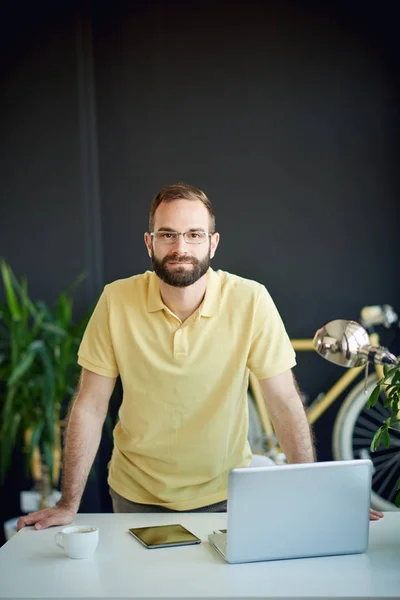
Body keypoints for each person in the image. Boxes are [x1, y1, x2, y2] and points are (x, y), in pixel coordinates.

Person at [17, 182, 383, 530]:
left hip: (228, 495)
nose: (181, 246)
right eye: (168, 234)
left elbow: (284, 401)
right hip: (135, 497)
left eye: (194, 234)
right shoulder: (116, 300)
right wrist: (68, 504)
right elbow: (90, 406)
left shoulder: (250, 299)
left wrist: (313, 492)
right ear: (149, 243)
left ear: (213, 243)